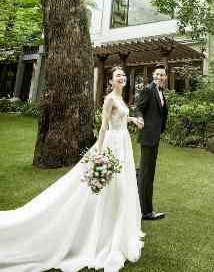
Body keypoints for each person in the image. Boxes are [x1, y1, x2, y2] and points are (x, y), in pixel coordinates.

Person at [0, 66, 144, 272]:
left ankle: (117, 226)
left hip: (124, 143)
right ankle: (101, 232)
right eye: (117, 76)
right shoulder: (110, 98)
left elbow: (119, 118)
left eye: (123, 75)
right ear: (111, 81)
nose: (121, 78)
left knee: (122, 185)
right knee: (108, 186)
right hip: (112, 144)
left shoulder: (120, 99)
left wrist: (132, 119)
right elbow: (104, 126)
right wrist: (100, 153)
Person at [135, 63, 168, 221]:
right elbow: (139, 108)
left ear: (165, 77)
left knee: (145, 172)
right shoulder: (148, 89)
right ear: (153, 76)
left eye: (162, 75)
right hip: (148, 136)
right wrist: (140, 118)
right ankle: (146, 212)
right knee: (147, 175)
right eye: (157, 74)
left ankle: (138, 201)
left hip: (154, 136)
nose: (160, 77)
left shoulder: (160, 91)